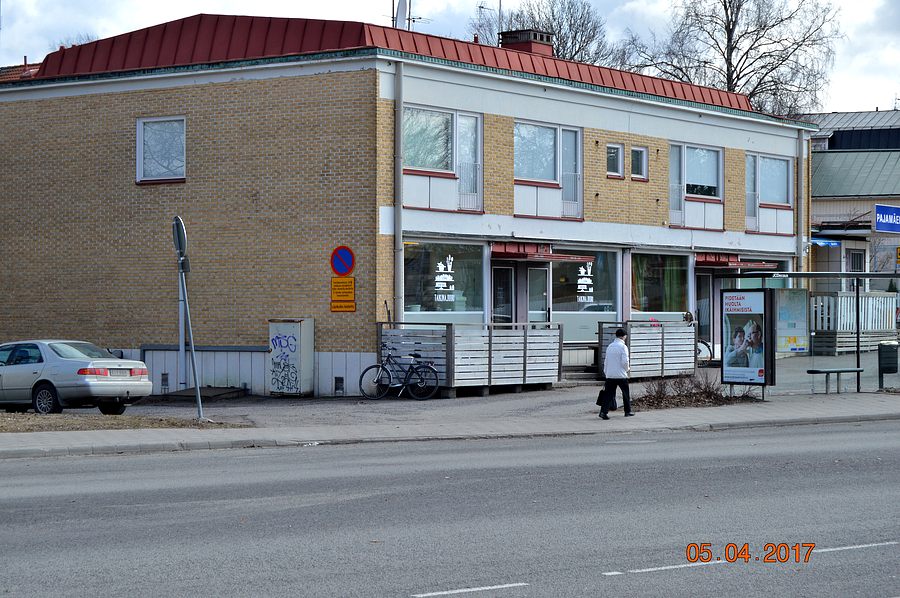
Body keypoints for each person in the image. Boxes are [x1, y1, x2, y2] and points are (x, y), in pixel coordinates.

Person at [599, 328, 633, 419]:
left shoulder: (610, 346)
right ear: (624, 336)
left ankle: (603, 412)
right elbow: (625, 362)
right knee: (625, 393)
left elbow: (606, 361)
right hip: (621, 375)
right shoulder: (623, 347)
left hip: (610, 375)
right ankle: (627, 411)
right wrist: (627, 369)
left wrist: (606, 372)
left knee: (608, 394)